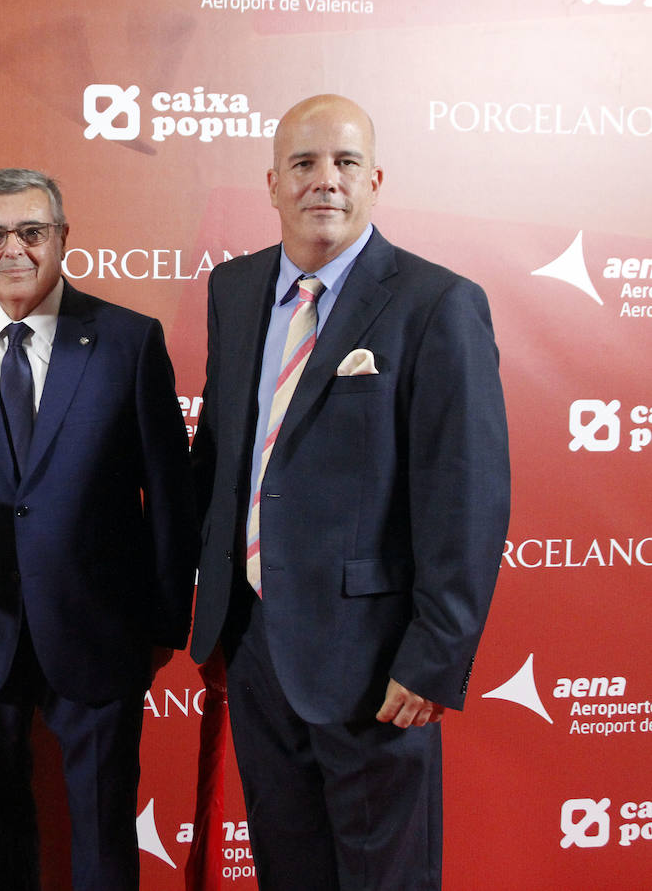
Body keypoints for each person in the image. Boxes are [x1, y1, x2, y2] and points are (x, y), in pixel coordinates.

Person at [187, 94, 511, 890]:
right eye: (303, 163)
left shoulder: (438, 303)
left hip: (377, 667)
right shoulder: (235, 290)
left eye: (343, 163)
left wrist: (435, 657)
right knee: (288, 871)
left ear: (375, 180)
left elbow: (464, 496)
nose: (323, 181)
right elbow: (223, 453)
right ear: (271, 183)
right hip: (258, 649)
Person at [0, 167, 195, 891]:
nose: (15, 250)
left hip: (102, 632)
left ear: (63, 237)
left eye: (32, 231)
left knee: (102, 833)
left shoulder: (130, 341)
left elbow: (168, 491)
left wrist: (163, 623)